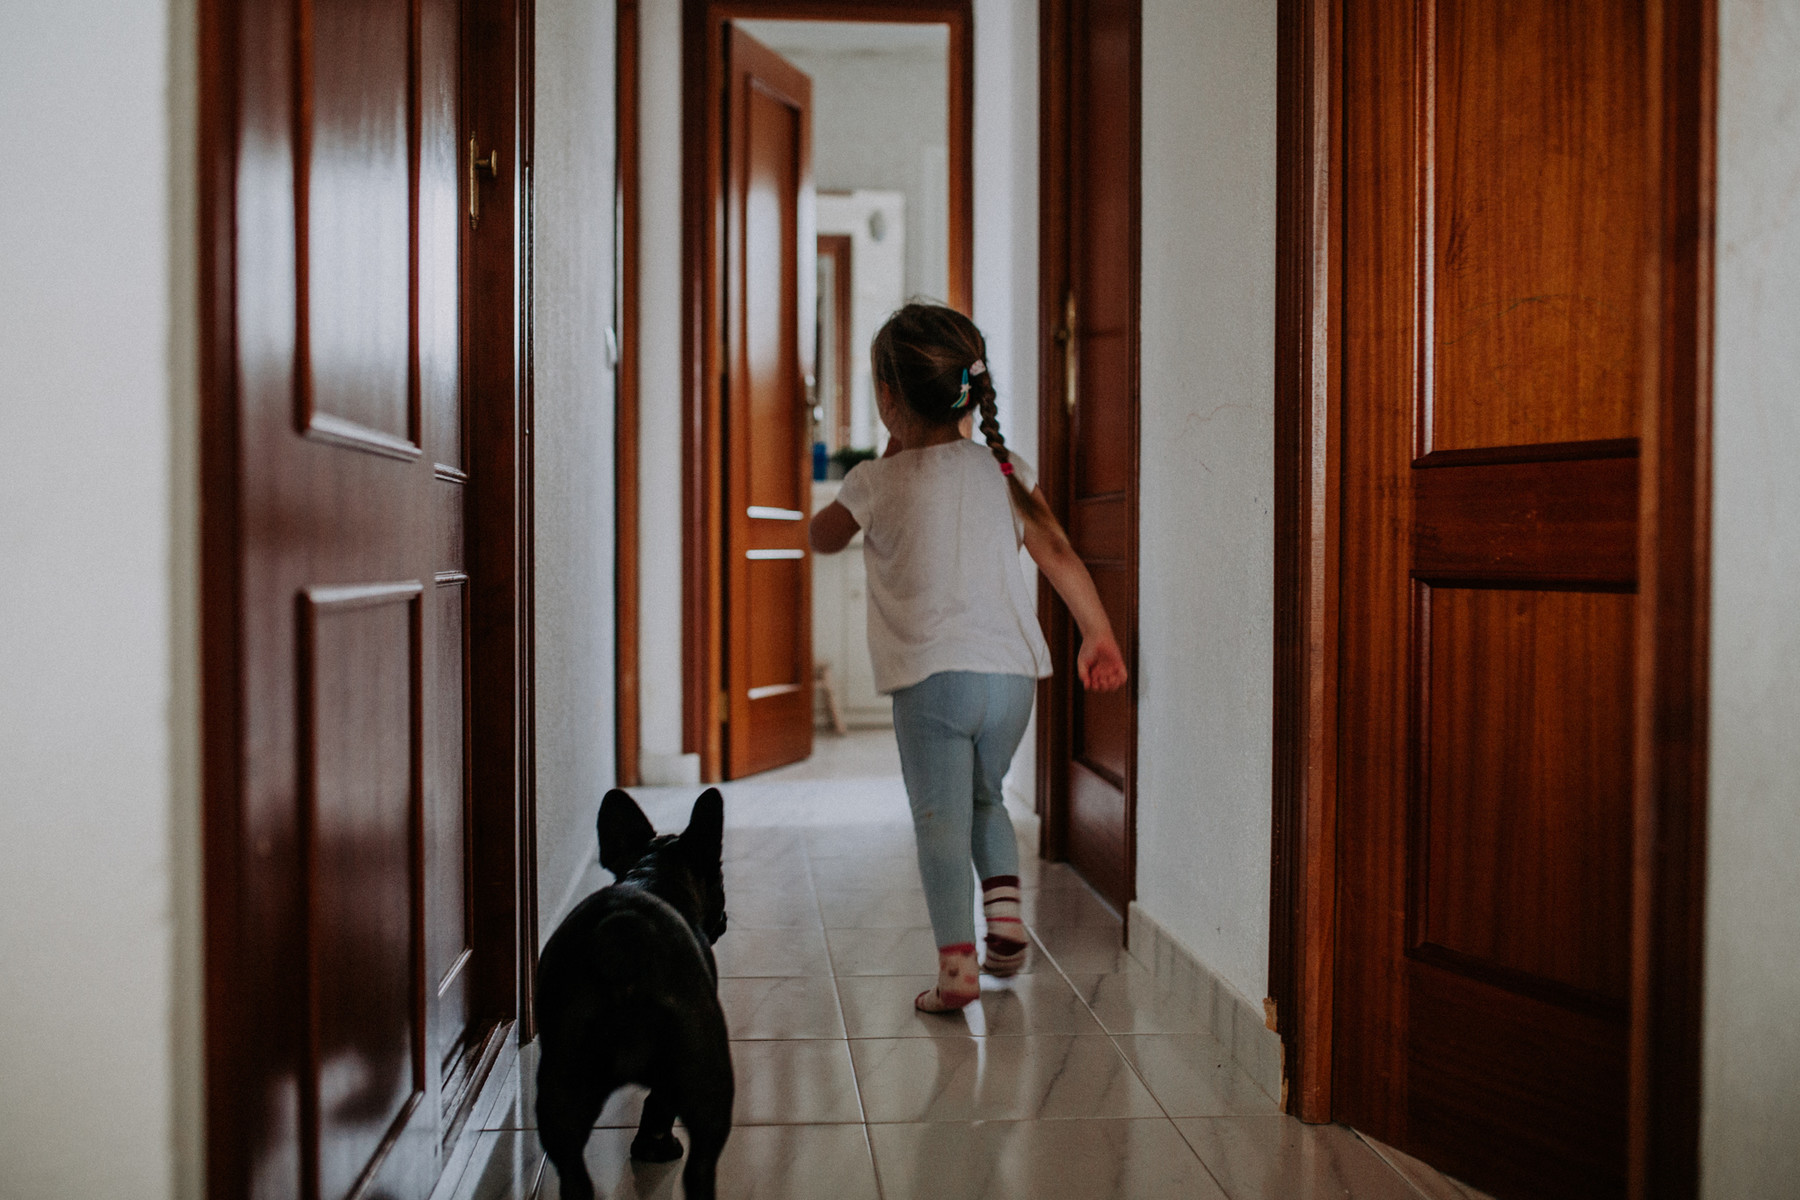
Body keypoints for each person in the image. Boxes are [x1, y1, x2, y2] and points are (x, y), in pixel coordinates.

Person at [810, 302, 1128, 1013]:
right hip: (1013, 681)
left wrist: (881, 462)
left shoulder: (873, 483)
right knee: (986, 797)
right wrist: (1097, 633)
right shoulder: (1005, 468)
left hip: (934, 683)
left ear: (888, 398)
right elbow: (1059, 553)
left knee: (939, 821)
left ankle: (957, 969)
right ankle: (1007, 923)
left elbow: (821, 538)